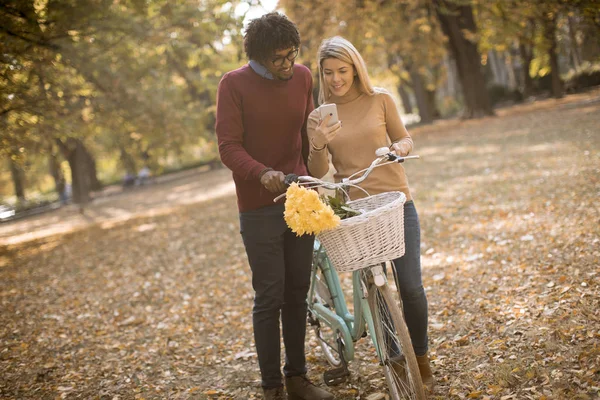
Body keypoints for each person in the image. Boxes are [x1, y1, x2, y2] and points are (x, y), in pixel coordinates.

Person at [215, 12, 334, 400]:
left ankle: (297, 378)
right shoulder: (233, 85)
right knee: (270, 294)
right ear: (261, 57)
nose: (289, 64)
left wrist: (314, 169)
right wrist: (261, 172)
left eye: (292, 54)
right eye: (280, 58)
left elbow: (305, 134)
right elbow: (228, 146)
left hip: (299, 198)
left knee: (298, 290)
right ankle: (272, 389)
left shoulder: (302, 77)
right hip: (258, 206)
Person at [306, 36, 435, 392]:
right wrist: (317, 141)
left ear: (355, 68)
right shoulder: (319, 116)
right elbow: (317, 170)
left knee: (410, 286)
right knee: (375, 292)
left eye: (342, 70)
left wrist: (398, 148)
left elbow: (406, 138)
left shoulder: (381, 99)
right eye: (328, 72)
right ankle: (394, 361)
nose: (336, 79)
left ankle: (420, 358)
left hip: (397, 203)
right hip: (357, 210)